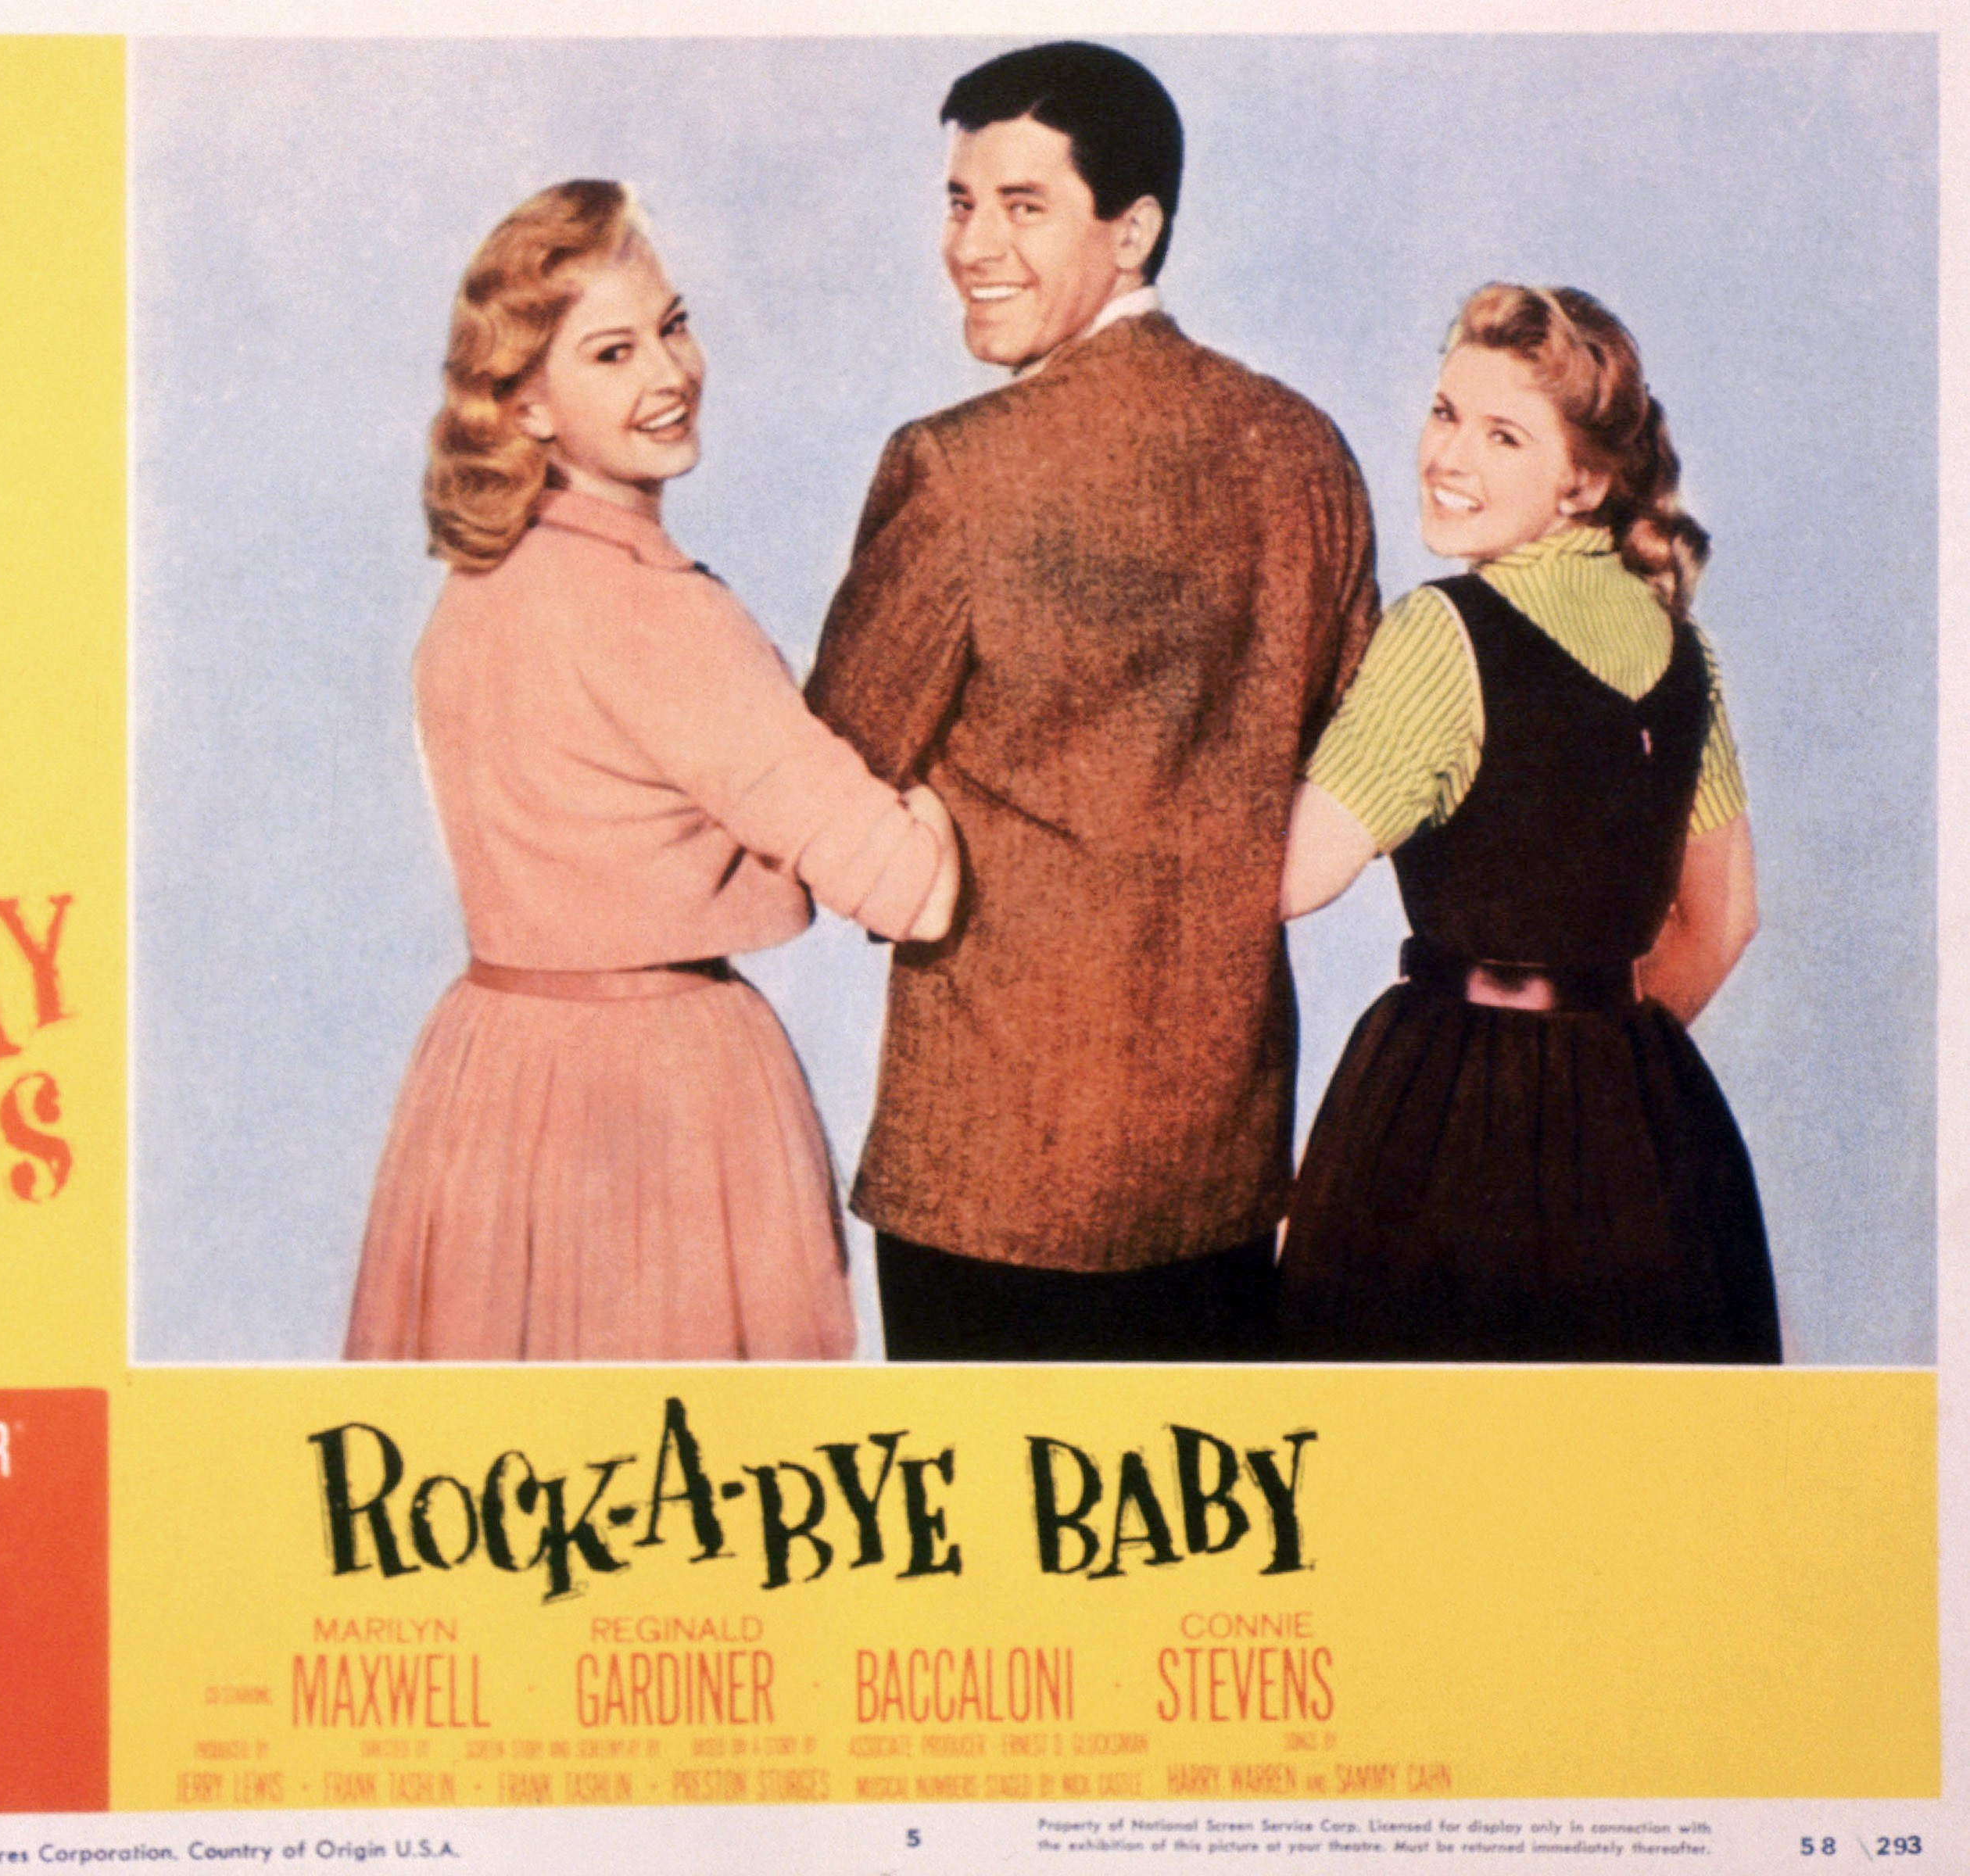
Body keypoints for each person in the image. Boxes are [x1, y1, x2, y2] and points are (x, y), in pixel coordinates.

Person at [804, 42, 1378, 1361]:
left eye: (1022, 206)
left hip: (991, 1166)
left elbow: (831, 772)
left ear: (1135, 231)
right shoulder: (1302, 450)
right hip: (1221, 1163)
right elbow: (1361, 752)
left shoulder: (957, 470)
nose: (972, 245)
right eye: (959, 201)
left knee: (997, 1552)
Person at [344, 180, 958, 1362]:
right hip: (660, 1100)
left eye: (674, 327)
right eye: (613, 351)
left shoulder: (472, 596)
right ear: (524, 403)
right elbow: (911, 891)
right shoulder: (655, 614)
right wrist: (930, 798)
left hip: (485, 1075)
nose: (669, 374)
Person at [1277, 283, 1780, 1363]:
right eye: (1445, 412)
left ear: (1584, 481)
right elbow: (1726, 919)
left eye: (1503, 435)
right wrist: (1592, 1074)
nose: (1449, 457)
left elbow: (1287, 878)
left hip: (1443, 1120)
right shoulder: (1682, 649)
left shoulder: (1441, 631)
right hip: (1652, 1135)